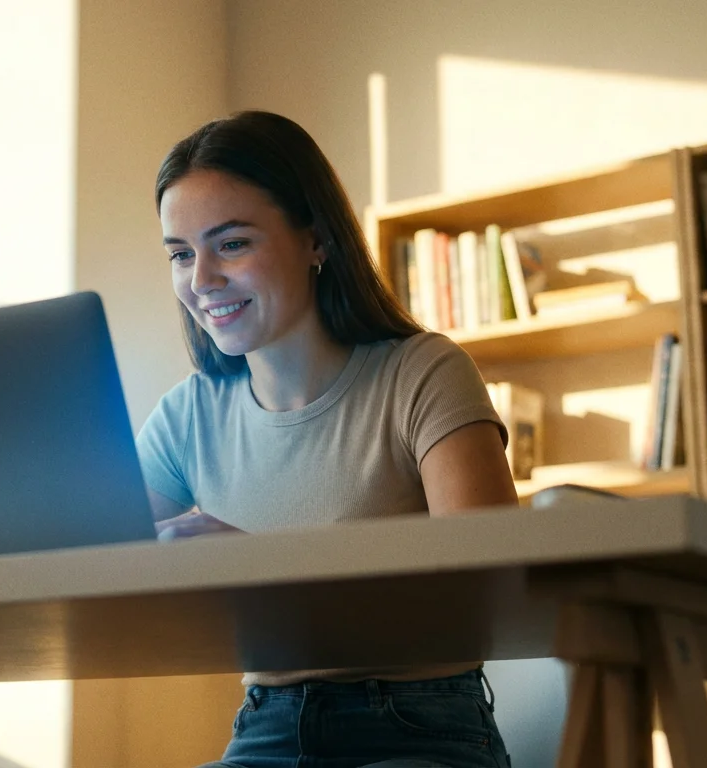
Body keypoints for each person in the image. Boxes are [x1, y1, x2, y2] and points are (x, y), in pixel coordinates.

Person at [135, 110, 518, 768]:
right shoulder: (185, 418)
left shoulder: (423, 373)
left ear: (316, 239)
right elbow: (96, 564)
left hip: (421, 724)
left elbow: (489, 603)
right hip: (267, 730)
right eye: (180, 254)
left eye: (230, 244)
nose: (200, 280)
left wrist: (271, 583)